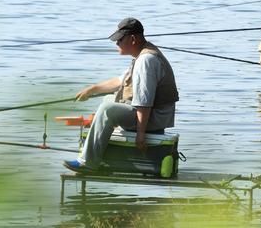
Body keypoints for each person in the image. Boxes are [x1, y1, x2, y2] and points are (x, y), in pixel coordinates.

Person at [63, 17, 179, 173]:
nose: (116, 43)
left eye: (119, 40)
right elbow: (120, 81)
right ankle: (98, 137)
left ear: (132, 39)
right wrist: (91, 89)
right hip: (151, 114)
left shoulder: (146, 60)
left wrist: (140, 134)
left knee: (107, 109)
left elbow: (144, 102)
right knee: (109, 99)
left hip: (154, 118)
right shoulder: (142, 53)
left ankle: (87, 163)